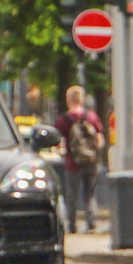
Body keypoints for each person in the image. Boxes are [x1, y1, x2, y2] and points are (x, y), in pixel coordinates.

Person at [52, 85, 104, 233]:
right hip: (91, 162)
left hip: (72, 163)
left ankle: (72, 226)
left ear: (68, 100)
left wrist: (62, 151)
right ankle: (91, 223)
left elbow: (58, 142)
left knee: (71, 196)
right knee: (90, 194)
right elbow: (100, 140)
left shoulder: (63, 120)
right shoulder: (92, 117)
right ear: (82, 100)